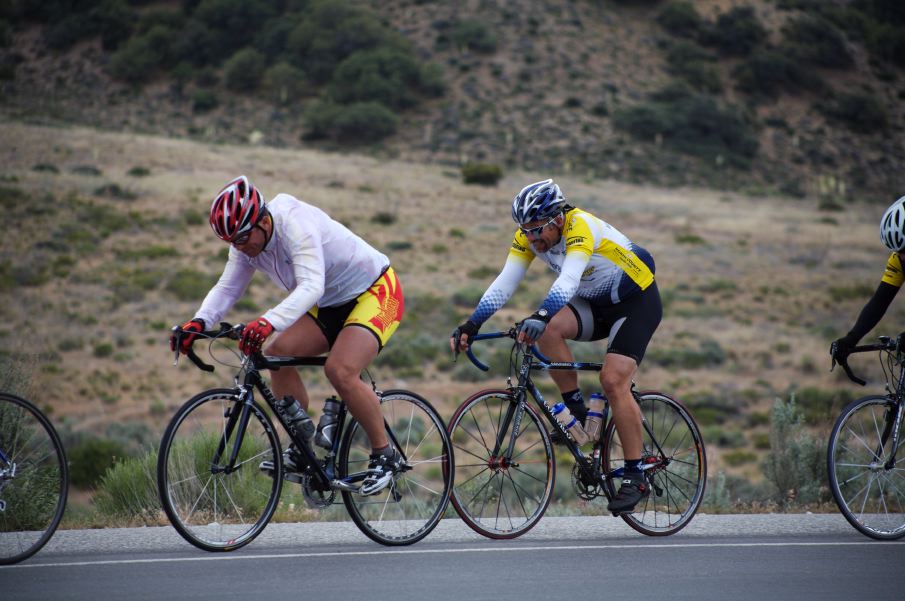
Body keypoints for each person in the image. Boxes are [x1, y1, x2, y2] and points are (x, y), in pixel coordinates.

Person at [170, 175, 405, 495]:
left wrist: (268, 322)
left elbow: (311, 286)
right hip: (329, 305)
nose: (239, 247)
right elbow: (228, 287)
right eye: (231, 242)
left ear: (263, 221)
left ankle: (384, 455)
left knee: (340, 369)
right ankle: (304, 449)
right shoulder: (246, 243)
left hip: (376, 292)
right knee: (276, 356)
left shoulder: (294, 223)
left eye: (241, 237)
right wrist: (198, 322)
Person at [449, 179, 662, 515]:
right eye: (526, 231)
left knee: (613, 380)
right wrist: (473, 323)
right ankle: (577, 413)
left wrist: (542, 313)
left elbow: (569, 278)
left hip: (635, 302)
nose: (533, 239)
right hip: (595, 302)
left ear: (557, 218)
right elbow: (506, 281)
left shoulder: (581, 226)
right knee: (545, 333)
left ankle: (635, 475)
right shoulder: (528, 237)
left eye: (538, 230)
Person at [831, 196, 905, 363]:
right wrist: (851, 339)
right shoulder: (898, 260)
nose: (902, 256)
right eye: (899, 251)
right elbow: (880, 302)